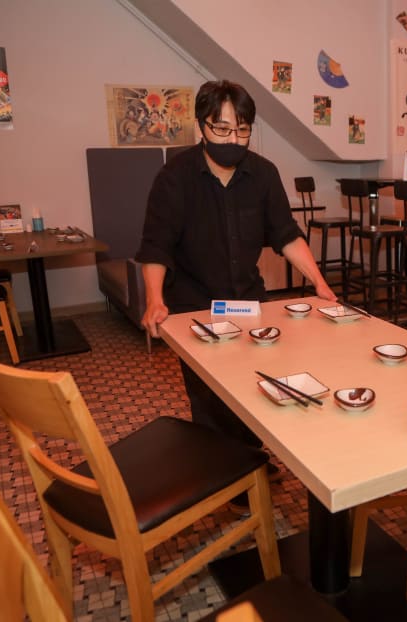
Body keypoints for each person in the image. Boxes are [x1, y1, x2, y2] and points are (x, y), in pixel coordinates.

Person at [136, 80, 336, 502]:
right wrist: (155, 299)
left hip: (248, 301)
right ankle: (222, 480)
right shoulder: (174, 178)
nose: (233, 139)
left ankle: (248, 461)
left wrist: (318, 282)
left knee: (254, 385)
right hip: (193, 304)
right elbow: (155, 246)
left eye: (242, 130)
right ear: (200, 128)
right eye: (222, 129)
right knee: (208, 396)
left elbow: (286, 235)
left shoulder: (263, 174)